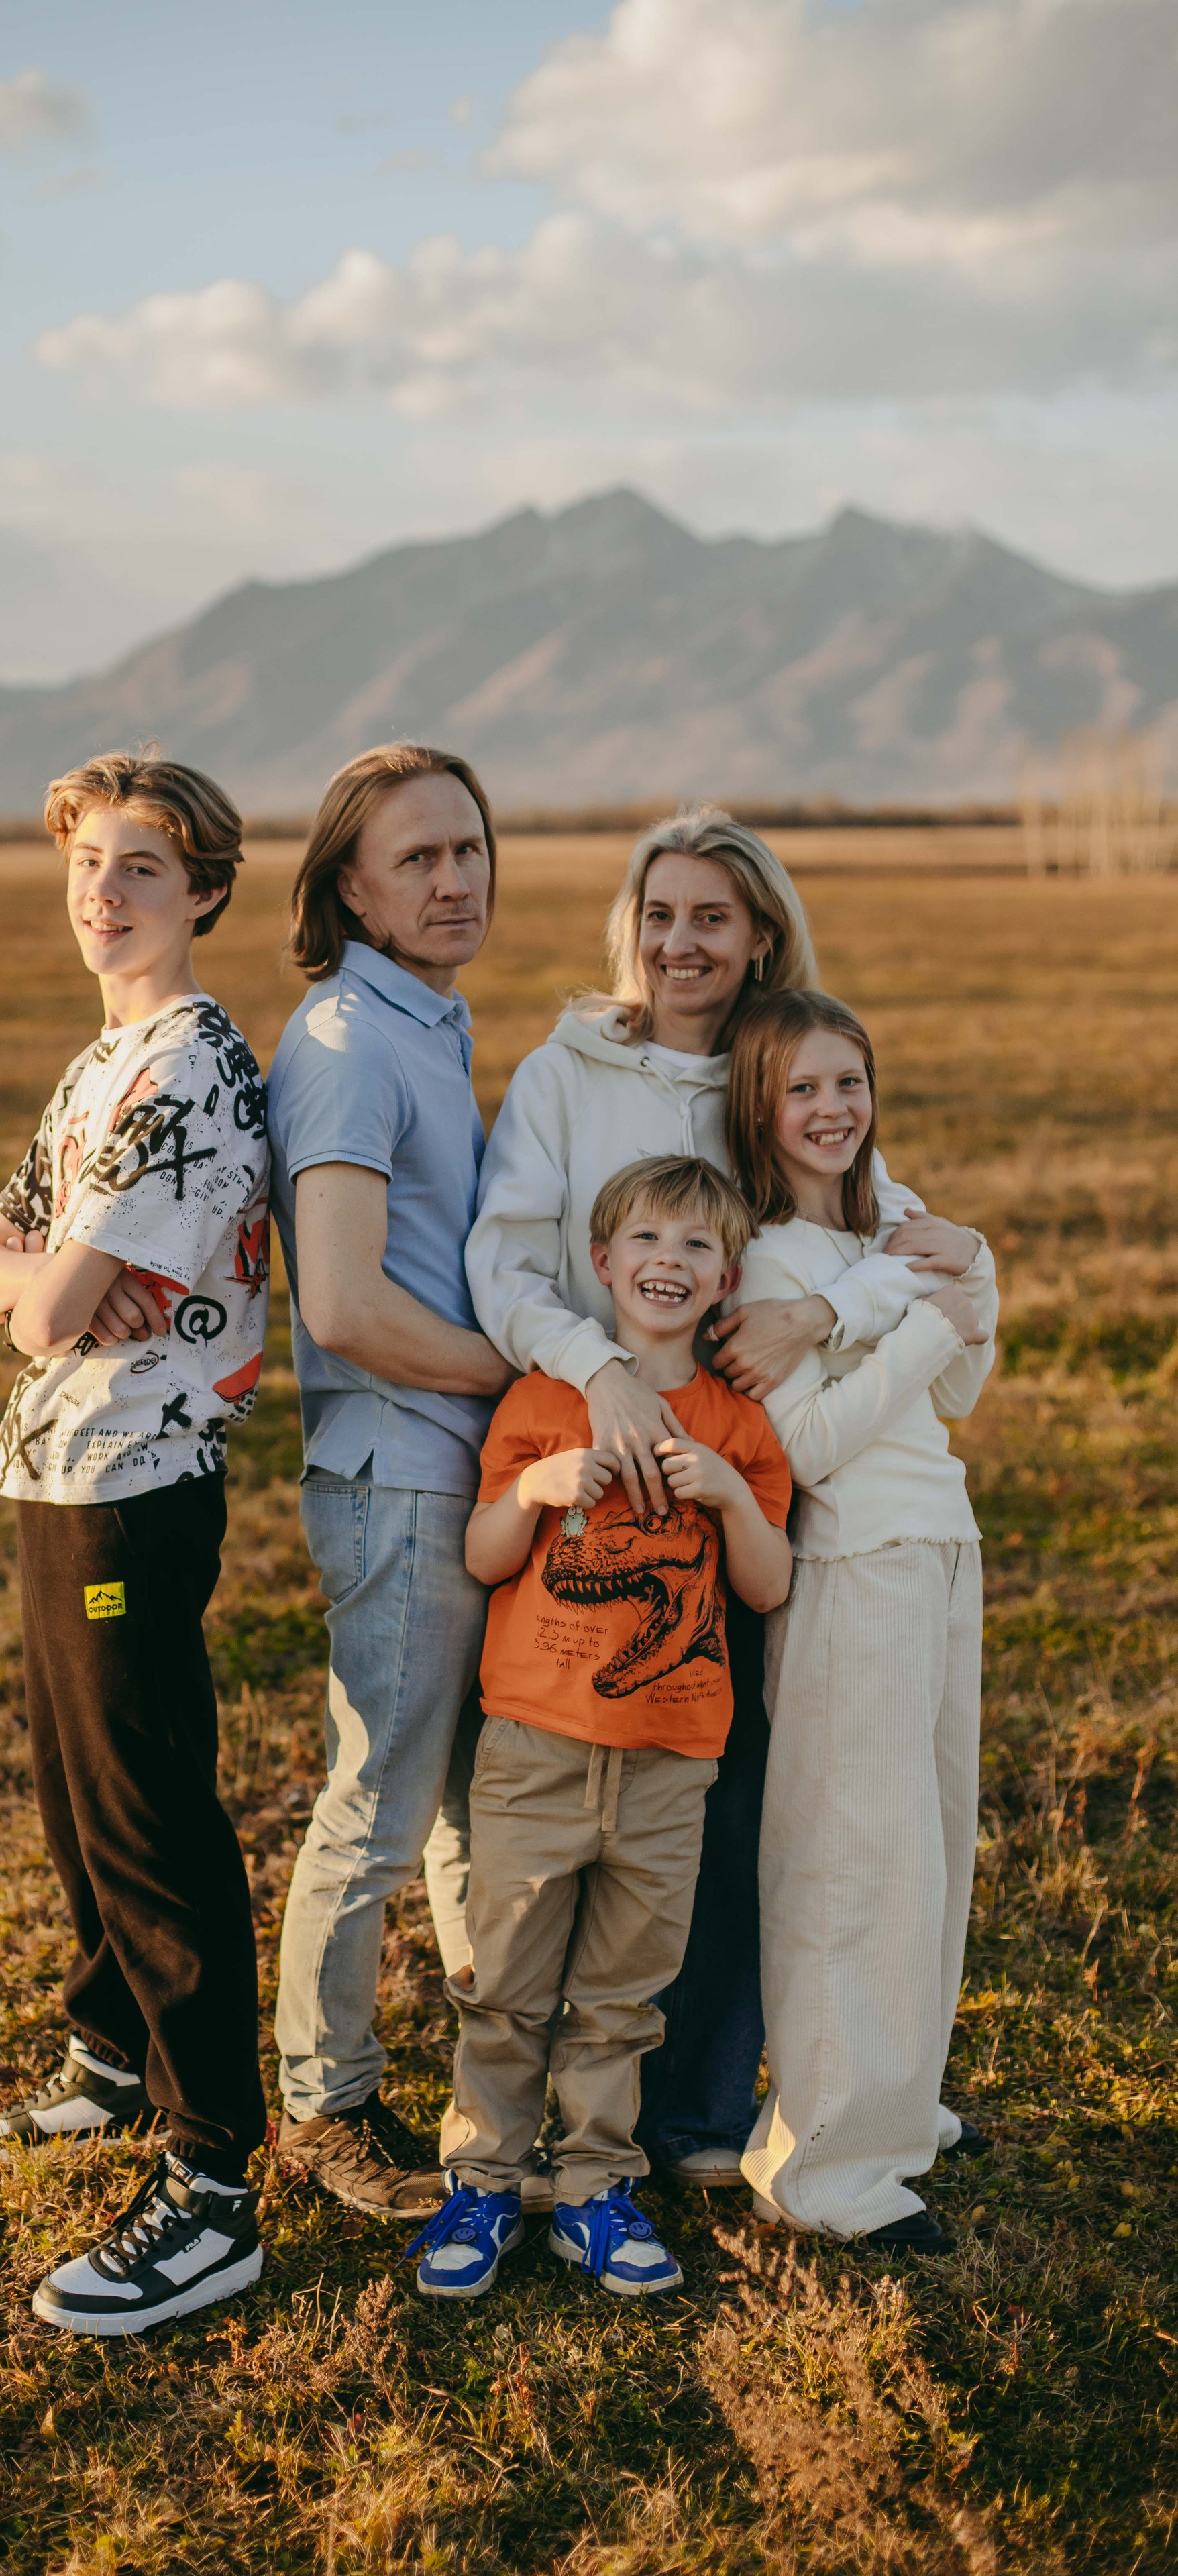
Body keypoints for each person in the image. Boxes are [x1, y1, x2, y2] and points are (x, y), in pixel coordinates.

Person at [464, 806, 962, 2183]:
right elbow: (503, 1269)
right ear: (628, 928)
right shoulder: (569, 1072)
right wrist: (596, 1377)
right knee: (554, 1782)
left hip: (743, 1474)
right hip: (582, 1451)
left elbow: (869, 1206)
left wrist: (832, 1311)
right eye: (658, 914)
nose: (679, 944)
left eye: (711, 919)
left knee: (730, 1787)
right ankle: (526, 2112)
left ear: (758, 940)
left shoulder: (764, 1070)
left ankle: (688, 2105)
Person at [0, 750, 272, 2337]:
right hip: (54, 1466)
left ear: (203, 891)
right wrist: (36, 1282)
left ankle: (214, 2180)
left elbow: (53, 1307)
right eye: (86, 862)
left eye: (143, 866)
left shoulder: (186, 1071)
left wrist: (44, 1287)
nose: (104, 892)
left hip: (136, 1472)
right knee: (73, 1797)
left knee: (147, 1815)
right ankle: (106, 2062)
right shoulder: (97, 1067)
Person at [405, 1157, 791, 2300]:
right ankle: (483, 2183)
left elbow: (767, 1587)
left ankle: (594, 2188)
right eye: (648, 1242)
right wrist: (536, 1488)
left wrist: (724, 1489)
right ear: (603, 1262)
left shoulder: (740, 1427)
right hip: (536, 1749)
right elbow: (482, 1558)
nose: (669, 1263)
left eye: (696, 1248)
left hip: (674, 1764)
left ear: (726, 1279)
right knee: (509, 1985)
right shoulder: (541, 1402)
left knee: (626, 1995)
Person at [267, 742, 515, 2220]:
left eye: (468, 848)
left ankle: (500, 2078)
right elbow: (345, 1307)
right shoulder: (350, 1042)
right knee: (378, 1799)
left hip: (449, 1474)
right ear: (347, 886)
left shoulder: (430, 1021)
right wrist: (518, 1377)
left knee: (465, 1802)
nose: (450, 877)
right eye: (415, 856)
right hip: (395, 1476)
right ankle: (323, 2107)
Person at [727, 991, 997, 2250]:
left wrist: (963, 1268)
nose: (832, 1111)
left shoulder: (892, 1221)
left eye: (851, 1083)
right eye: (804, 1092)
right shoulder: (772, 1263)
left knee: (933, 1843)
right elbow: (813, 1447)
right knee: (856, 1859)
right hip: (857, 1564)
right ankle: (827, 2167)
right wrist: (916, 1317)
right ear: (761, 1111)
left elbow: (965, 1377)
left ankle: (905, 2103)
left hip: (944, 1547)